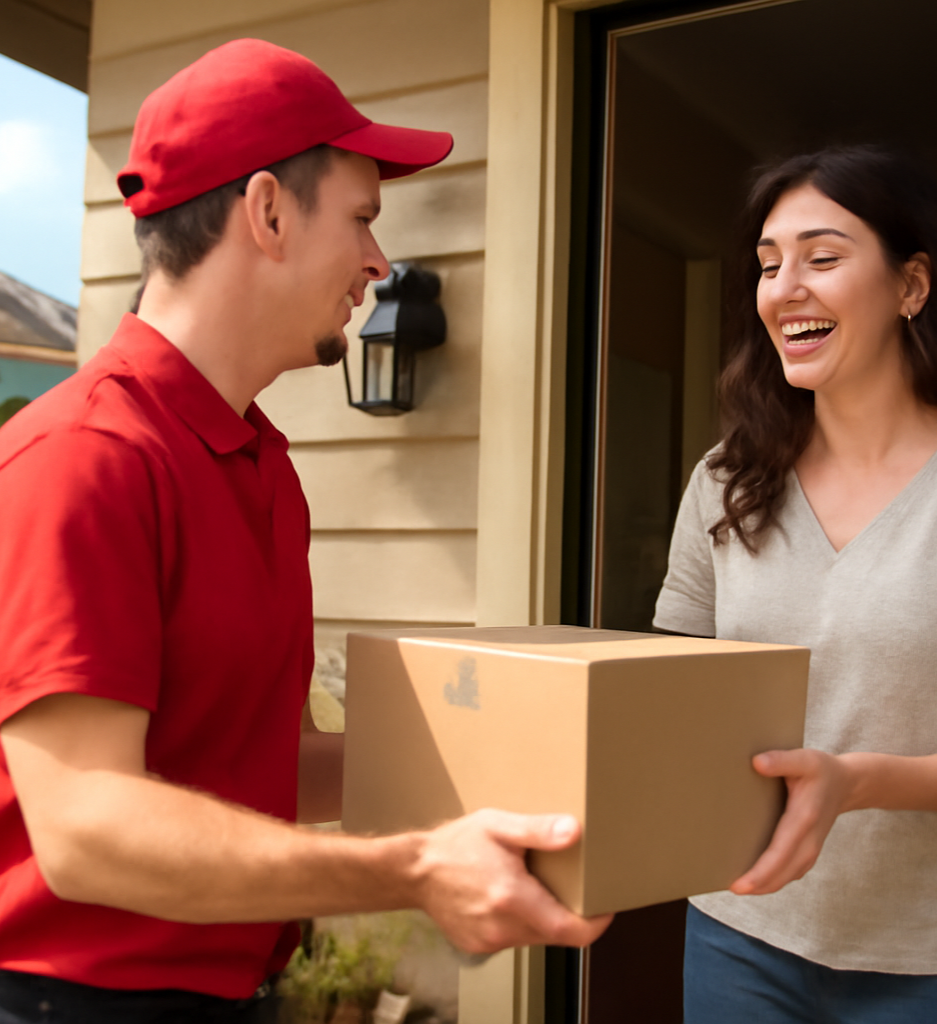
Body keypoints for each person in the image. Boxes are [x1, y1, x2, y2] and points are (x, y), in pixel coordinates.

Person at [0, 39, 609, 1024]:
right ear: (269, 212)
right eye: (363, 218)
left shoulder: (258, 466)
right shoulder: (84, 457)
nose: (377, 260)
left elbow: (251, 762)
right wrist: (413, 870)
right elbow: (87, 829)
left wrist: (507, 764)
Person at [654, 145, 937, 1023]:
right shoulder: (725, 478)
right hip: (736, 929)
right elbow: (665, 687)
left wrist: (852, 780)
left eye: (822, 257)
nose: (785, 288)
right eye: (769, 264)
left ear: (911, 286)